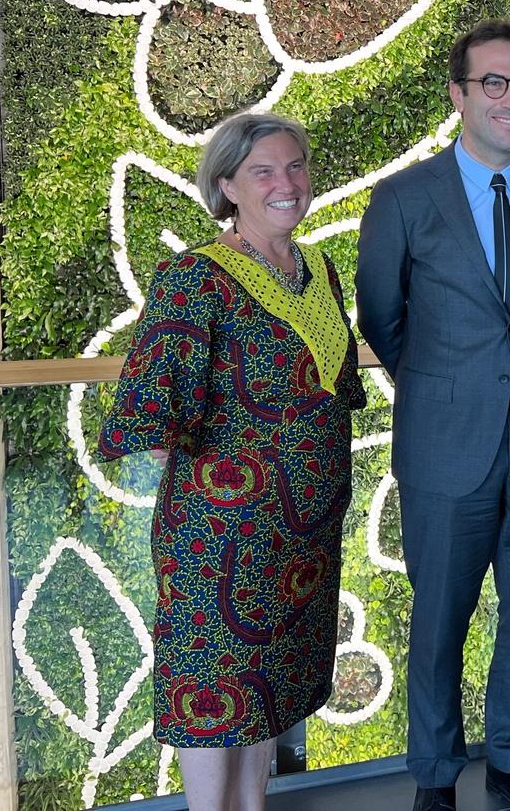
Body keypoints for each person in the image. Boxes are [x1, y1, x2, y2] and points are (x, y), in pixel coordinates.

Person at [98, 113, 365, 811]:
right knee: (217, 693)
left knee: (268, 690)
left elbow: (332, 386)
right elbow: (155, 402)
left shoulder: (318, 270)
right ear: (226, 187)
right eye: (263, 171)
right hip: (223, 537)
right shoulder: (196, 275)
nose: (287, 183)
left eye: (295, 166)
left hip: (302, 534)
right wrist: (172, 430)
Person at [355, 21, 510, 811]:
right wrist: (449, 383)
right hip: (446, 442)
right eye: (494, 82)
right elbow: (383, 317)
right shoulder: (404, 197)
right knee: (439, 622)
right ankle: (435, 777)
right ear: (458, 93)